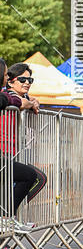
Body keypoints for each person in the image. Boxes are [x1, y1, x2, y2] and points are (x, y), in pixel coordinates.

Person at [1, 62, 46, 234]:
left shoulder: (18, 98)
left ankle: (9, 216)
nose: (27, 82)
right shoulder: (6, 96)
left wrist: (32, 101)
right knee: (35, 177)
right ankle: (8, 217)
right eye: (23, 79)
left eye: (30, 80)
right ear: (10, 81)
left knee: (33, 179)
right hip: (3, 152)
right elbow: (13, 100)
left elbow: (24, 101)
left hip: (12, 153)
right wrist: (29, 102)